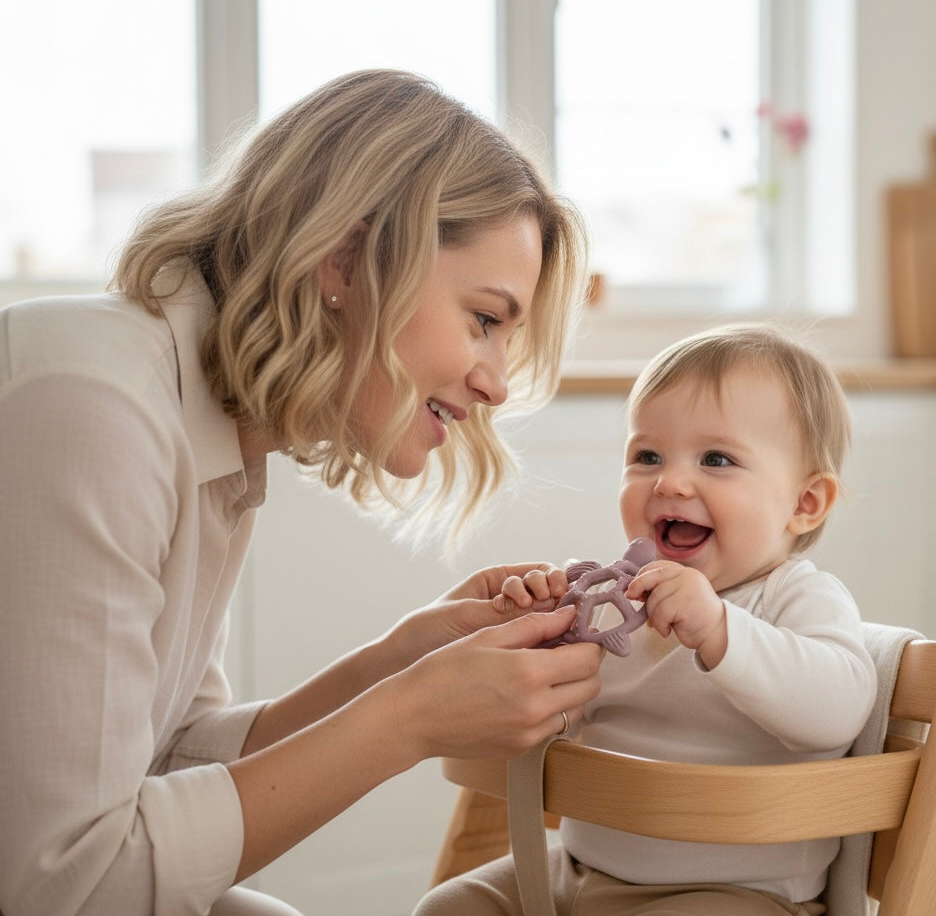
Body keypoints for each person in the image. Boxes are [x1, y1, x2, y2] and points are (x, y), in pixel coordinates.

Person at [0, 69, 607, 916]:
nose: (497, 383)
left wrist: (397, 662)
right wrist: (412, 716)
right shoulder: (94, 407)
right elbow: (68, 881)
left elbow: (164, 758)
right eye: (483, 320)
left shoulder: (208, 434)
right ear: (346, 259)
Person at [415, 324, 877, 916]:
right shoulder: (613, 602)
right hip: (576, 870)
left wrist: (719, 630)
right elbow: (548, 719)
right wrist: (535, 641)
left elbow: (837, 712)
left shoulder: (796, 598)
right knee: (449, 907)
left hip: (733, 896)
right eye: (647, 456)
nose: (670, 482)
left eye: (716, 459)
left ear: (804, 504)